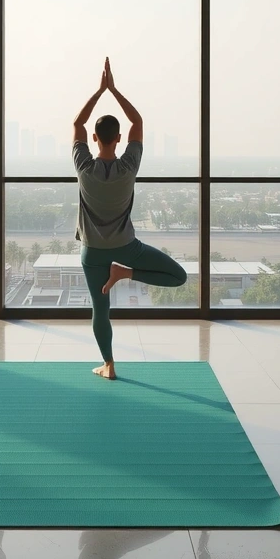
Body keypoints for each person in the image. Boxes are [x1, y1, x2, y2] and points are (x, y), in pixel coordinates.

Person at [72, 57, 187, 379]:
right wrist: (114, 90)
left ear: (95, 139)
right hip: (126, 247)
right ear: (119, 138)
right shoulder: (128, 166)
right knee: (178, 276)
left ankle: (108, 364)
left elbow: (78, 124)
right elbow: (137, 121)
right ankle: (125, 273)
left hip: (93, 251)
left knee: (100, 309)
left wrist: (99, 91)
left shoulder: (84, 167)